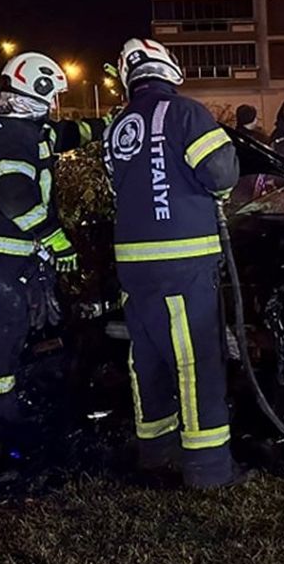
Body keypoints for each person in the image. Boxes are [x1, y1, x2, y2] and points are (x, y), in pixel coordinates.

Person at [107, 38, 249, 489]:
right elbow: (222, 172)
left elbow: (122, 188)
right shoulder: (184, 113)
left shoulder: (119, 124)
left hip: (133, 264)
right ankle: (209, 470)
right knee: (196, 362)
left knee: (147, 357)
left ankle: (155, 451)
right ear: (168, 68)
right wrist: (220, 195)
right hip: (183, 260)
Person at [0, 52, 111, 422]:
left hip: (18, 253)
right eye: (51, 97)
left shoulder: (31, 130)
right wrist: (55, 238)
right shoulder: (10, 135)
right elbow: (13, 196)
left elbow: (69, 133)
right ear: (36, 91)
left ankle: (23, 402)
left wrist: (110, 123)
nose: (54, 105)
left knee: (28, 326)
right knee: (4, 326)